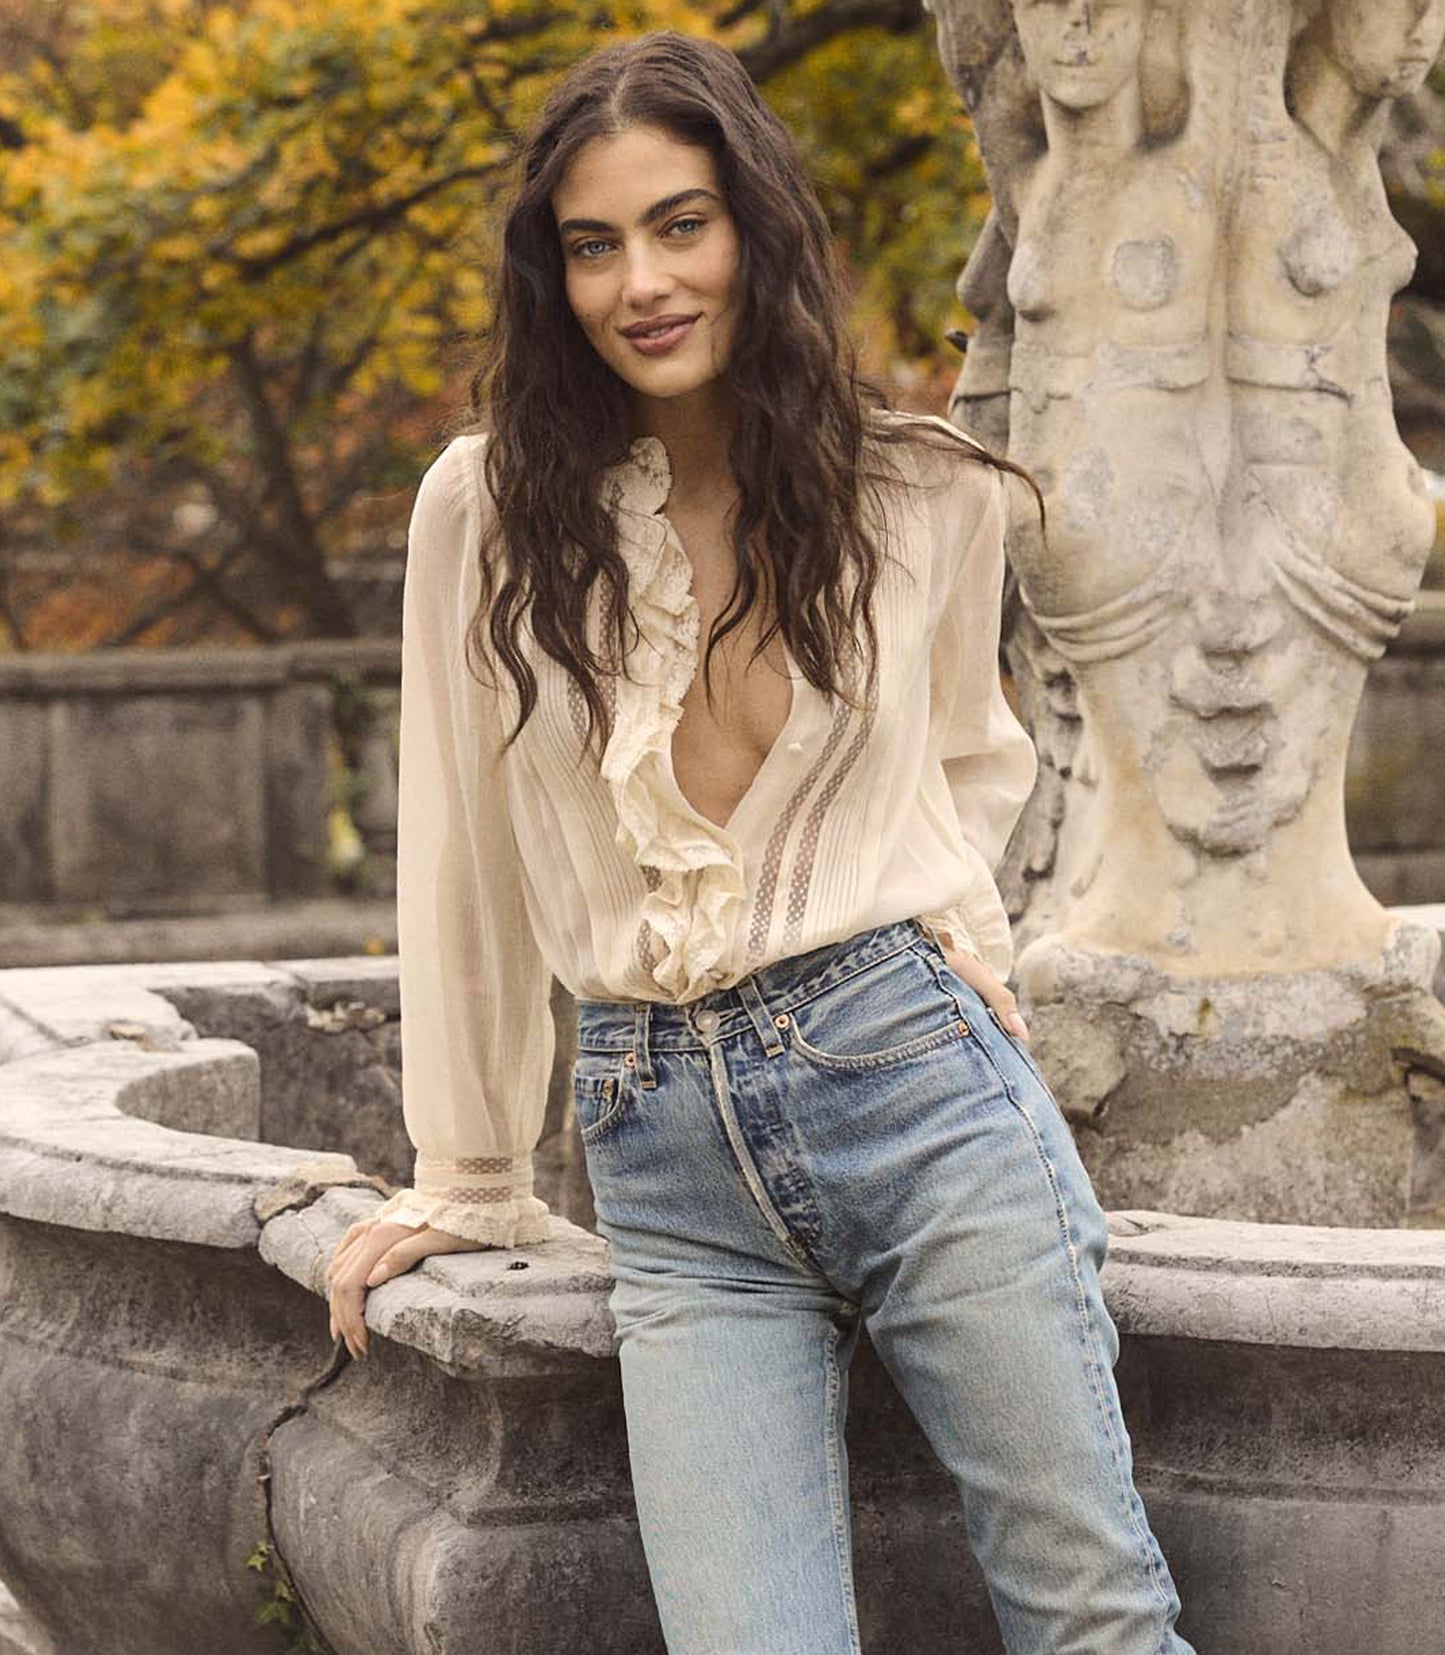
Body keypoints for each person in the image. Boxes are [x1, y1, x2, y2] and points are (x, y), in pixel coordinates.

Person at [325, 29, 1196, 1655]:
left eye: (681, 225)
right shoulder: (487, 513)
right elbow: (459, 856)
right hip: (661, 1152)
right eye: (593, 245)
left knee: (1089, 1620)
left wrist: (963, 953)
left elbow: (966, 762)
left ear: (755, 231)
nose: (640, 282)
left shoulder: (923, 496)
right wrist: (468, 1173)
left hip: (917, 1088)